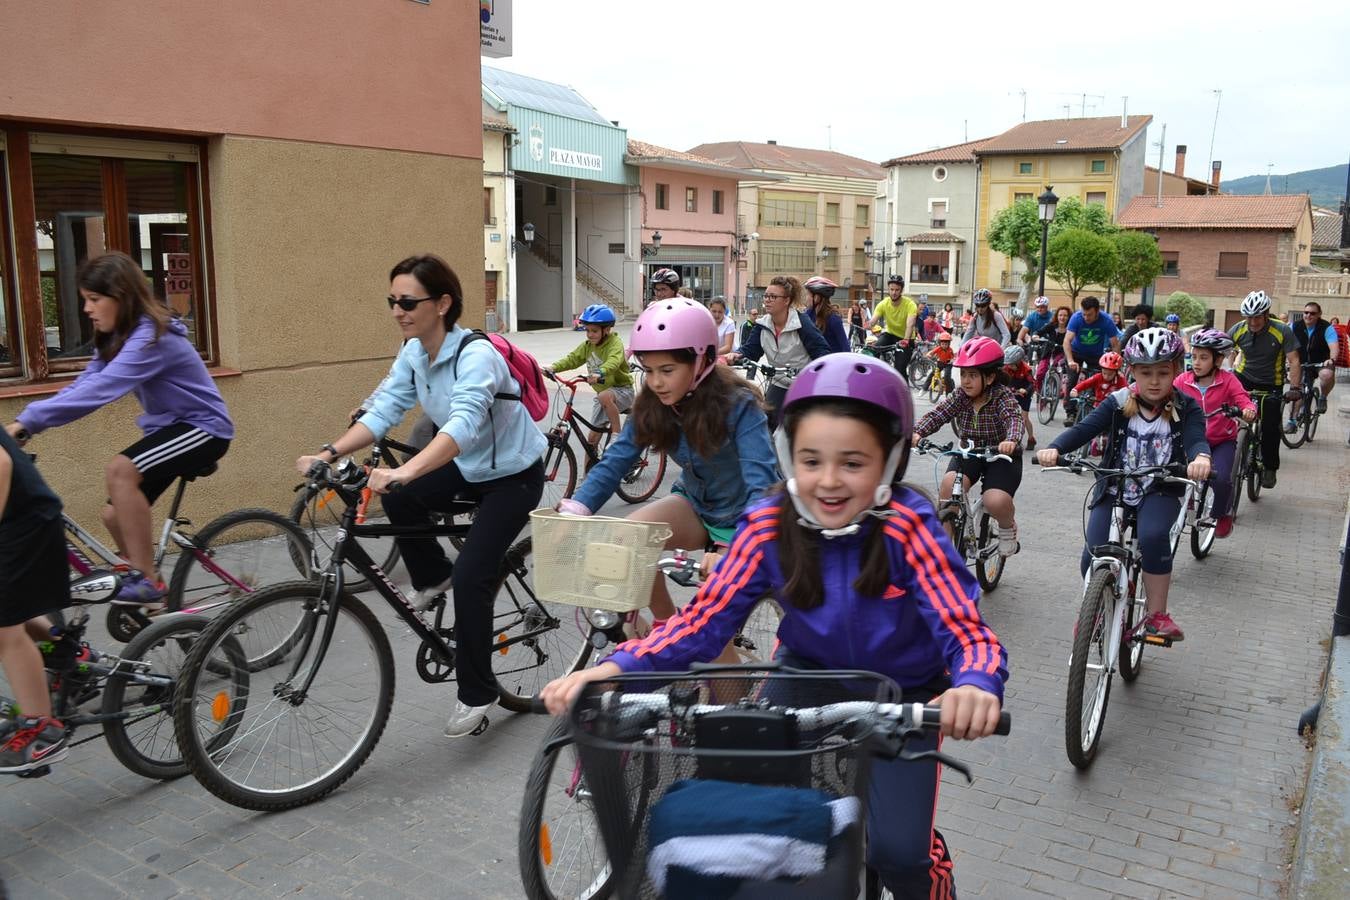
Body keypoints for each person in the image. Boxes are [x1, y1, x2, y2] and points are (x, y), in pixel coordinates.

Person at [543, 353, 1007, 898]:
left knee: (899, 853)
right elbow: (703, 623)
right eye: (811, 460)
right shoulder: (767, 524)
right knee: (746, 816)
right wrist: (618, 668)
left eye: (853, 463)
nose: (828, 481)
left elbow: (965, 629)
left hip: (905, 691)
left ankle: (930, 873)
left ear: (890, 463)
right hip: (807, 672)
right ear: (788, 456)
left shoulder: (910, 528)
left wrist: (975, 684)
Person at [295, 254, 546, 738]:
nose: (397, 310)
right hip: (470, 468)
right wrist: (329, 451)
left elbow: (464, 423)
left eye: (408, 301)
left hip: (513, 476)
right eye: (392, 301)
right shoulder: (414, 352)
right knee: (402, 500)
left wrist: (404, 469)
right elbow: (385, 407)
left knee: (474, 572)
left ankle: (478, 693)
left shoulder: (476, 355)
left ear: (443, 303)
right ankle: (434, 576)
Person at [7, 252, 233, 608]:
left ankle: (146, 582)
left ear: (122, 297)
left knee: (120, 469)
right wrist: (25, 422)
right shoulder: (118, 338)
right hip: (172, 429)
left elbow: (102, 389)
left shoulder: (150, 338)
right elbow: (84, 384)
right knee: (112, 515)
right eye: (85, 300)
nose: (87, 309)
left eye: (94, 299)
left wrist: (28, 422)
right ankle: (159, 597)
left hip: (204, 428)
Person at [559, 299, 777, 625]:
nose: (656, 382)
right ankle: (666, 625)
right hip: (694, 502)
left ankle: (707, 652)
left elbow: (761, 480)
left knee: (709, 626)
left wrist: (737, 547)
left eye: (667, 370)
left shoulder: (738, 403)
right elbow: (616, 460)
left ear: (702, 361)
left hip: (742, 517)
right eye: (648, 370)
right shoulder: (653, 402)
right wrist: (577, 508)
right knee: (627, 539)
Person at [1038, 327, 1211, 642]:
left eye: (1162, 372)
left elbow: (1196, 437)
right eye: (1146, 373)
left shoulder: (1187, 407)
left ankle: (1157, 615)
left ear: (1176, 370)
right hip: (1115, 485)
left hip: (1161, 486)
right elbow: (1085, 428)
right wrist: (1057, 448)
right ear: (1133, 372)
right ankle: (1097, 611)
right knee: (1092, 551)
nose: (1154, 380)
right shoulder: (1118, 401)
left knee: (1153, 535)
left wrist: (1201, 458)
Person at [912, 336, 1024, 557]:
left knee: (995, 500)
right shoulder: (961, 396)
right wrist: (917, 432)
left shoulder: (1003, 397)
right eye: (963, 374)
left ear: (990, 377)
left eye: (972, 375)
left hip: (1000, 456)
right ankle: (944, 553)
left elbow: (1013, 418)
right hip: (969, 451)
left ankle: (1007, 528)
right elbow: (940, 413)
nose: (965, 381)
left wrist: (1011, 440)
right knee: (947, 487)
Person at [0, 429, 70, 773]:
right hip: (16, 518)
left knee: (3, 629)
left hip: (23, 523)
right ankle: (65, 648)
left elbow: (0, 464)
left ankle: (42, 733)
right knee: (12, 614)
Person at [1173, 329, 1256, 538]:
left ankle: (1223, 512)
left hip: (1221, 441)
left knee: (1221, 480)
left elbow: (1243, 399)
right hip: (1191, 441)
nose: (1197, 362)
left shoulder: (1228, 380)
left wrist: (1248, 410)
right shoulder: (1183, 381)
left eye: (1204, 357)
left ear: (1218, 360)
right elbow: (1165, 394)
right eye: (1194, 356)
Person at [731, 276, 830, 427]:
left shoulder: (802, 323)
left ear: (786, 300)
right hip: (779, 383)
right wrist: (733, 356)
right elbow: (750, 350)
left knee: (801, 425)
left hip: (803, 383)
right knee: (766, 420)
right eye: (766, 296)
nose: (767, 300)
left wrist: (816, 374)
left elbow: (822, 352)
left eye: (773, 296)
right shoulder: (762, 325)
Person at [1227, 290, 1300, 489]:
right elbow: (1222, 352)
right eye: (1249, 317)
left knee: (1270, 427)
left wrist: (1294, 387)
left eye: (1257, 317)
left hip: (1271, 383)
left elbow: (1294, 360)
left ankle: (1269, 467)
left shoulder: (1282, 330)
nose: (1252, 322)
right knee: (1226, 414)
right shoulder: (1238, 329)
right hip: (1243, 379)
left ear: (1266, 314)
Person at [543, 304, 633, 452]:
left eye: (594, 331)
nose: (590, 334)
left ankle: (617, 435)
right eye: (588, 330)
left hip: (623, 390)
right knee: (591, 441)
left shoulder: (615, 343)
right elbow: (572, 359)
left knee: (604, 396)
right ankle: (587, 475)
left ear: (607, 330)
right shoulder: (587, 346)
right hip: (603, 396)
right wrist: (553, 368)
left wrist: (600, 372)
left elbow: (614, 361)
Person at [1063, 295, 1122, 424]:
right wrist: (1070, 361)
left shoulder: (1106, 320)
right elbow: (1067, 341)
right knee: (1072, 380)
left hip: (1095, 355)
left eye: (1089, 315)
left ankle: (1095, 410)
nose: (1086, 318)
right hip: (1076, 353)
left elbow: (1115, 344)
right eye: (1084, 314)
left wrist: (1115, 365)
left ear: (1097, 311)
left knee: (1100, 380)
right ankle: (1070, 412)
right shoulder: (1076, 318)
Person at [1292, 300, 1338, 417]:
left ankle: (1323, 397)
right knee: (1296, 390)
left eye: (1312, 313)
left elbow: (1334, 347)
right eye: (1306, 312)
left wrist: (1331, 359)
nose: (1308, 315)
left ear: (1319, 314)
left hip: (1321, 362)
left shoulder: (1326, 327)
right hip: (1300, 362)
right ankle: (1292, 420)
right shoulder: (1295, 326)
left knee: (1327, 374)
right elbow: (1286, 345)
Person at [867, 275, 919, 378]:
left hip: (906, 339)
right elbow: (873, 320)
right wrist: (868, 324)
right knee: (874, 350)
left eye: (897, 290)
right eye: (891, 289)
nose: (894, 292)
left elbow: (910, 324)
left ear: (901, 290)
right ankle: (876, 376)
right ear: (888, 289)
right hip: (890, 335)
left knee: (899, 368)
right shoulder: (883, 303)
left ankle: (904, 391)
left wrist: (906, 339)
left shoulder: (910, 304)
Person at [803, 275, 850, 354]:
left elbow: (845, 346)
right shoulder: (808, 314)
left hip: (832, 362)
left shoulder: (833, 318)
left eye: (808, 294)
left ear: (817, 297)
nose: (806, 298)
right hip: (814, 361)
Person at [1003, 344, 1036, 450]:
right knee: (1008, 415)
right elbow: (1002, 380)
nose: (1010, 366)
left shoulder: (1026, 369)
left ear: (1018, 361)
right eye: (1009, 364)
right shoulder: (1006, 368)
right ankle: (1010, 437)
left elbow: (1032, 384)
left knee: (1024, 418)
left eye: (1012, 364)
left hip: (1024, 394)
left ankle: (1031, 438)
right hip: (1012, 392)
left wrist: (1025, 390)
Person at [1032, 305, 1072, 391]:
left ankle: (1058, 389)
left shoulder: (1071, 328)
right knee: (1040, 374)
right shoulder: (1052, 326)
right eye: (1060, 315)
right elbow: (1039, 331)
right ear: (1057, 316)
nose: (1062, 317)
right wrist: (1035, 336)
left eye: (1065, 315)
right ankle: (1039, 393)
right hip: (1048, 352)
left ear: (1069, 317)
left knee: (1057, 366)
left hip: (1062, 353)